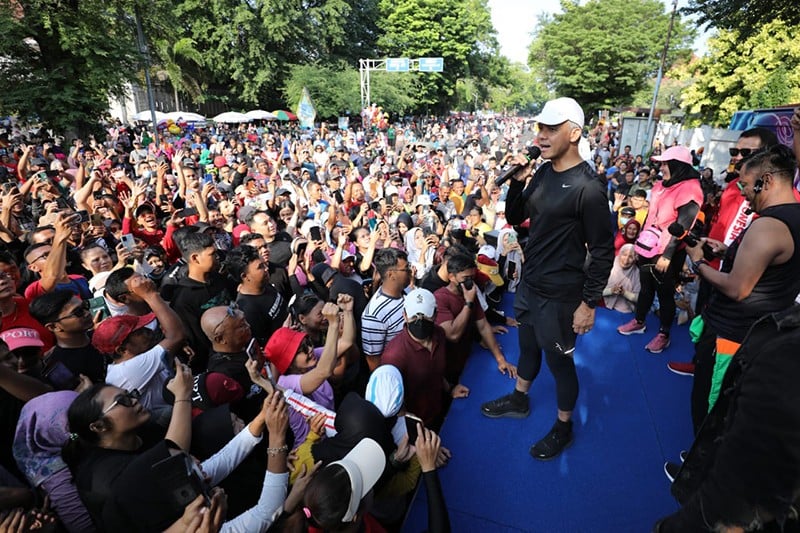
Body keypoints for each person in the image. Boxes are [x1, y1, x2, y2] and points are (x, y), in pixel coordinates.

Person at [480, 97, 614, 460]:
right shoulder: (541, 172)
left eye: (551, 128)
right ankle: (520, 398)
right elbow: (515, 216)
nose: (541, 135)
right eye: (540, 127)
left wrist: (588, 304)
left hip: (561, 293)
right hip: (531, 283)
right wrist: (516, 183)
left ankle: (564, 425)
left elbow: (603, 250)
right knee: (526, 347)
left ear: (574, 133)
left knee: (559, 362)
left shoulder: (589, 187)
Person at [678, 145, 800, 436]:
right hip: (757, 332)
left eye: (744, 184)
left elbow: (738, 288)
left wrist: (698, 263)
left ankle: (697, 475)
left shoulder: (768, 226)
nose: (741, 191)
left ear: (766, 181)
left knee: (709, 407)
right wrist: (728, 250)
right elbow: (769, 268)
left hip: (730, 336)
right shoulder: (792, 217)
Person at [653, 305, 800, 532]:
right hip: (739, 332)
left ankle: (697, 475)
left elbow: (736, 489)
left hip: (735, 334)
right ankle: (697, 468)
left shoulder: (786, 356)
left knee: (715, 413)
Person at [617, 145, 703, 353]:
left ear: (678, 165)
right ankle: (639, 320)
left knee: (665, 294)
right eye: (661, 163)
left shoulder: (690, 189)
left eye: (666, 163)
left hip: (668, 251)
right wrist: (639, 243)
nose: (662, 167)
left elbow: (682, 225)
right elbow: (649, 216)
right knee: (646, 287)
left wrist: (667, 255)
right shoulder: (660, 185)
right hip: (648, 245)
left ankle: (664, 334)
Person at [382, 288, 468, 429]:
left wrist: (450, 389)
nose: (420, 321)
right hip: (416, 427)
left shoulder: (439, 334)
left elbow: (435, 370)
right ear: (404, 315)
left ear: (435, 314)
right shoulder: (394, 355)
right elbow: (395, 409)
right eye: (414, 316)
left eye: (425, 315)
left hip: (439, 412)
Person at [433, 254, 517, 383]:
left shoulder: (471, 292)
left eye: (472, 277)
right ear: (451, 277)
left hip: (466, 358)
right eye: (466, 278)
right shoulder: (440, 298)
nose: (470, 282)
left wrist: (501, 360)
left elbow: (483, 326)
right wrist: (468, 303)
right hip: (446, 367)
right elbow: (453, 335)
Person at [360, 248, 410, 372]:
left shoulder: (406, 293)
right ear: (391, 274)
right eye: (405, 269)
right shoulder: (374, 315)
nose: (410, 271)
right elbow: (373, 360)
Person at [602, 244, 640, 313]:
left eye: (631, 257)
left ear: (634, 259)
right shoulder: (609, 264)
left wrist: (624, 293)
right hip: (602, 306)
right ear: (620, 254)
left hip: (625, 312)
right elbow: (596, 290)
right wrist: (611, 291)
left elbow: (639, 298)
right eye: (624, 255)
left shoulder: (637, 273)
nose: (626, 260)